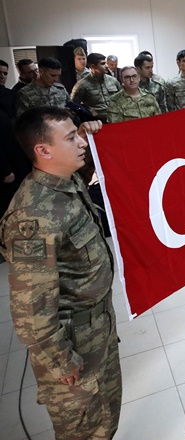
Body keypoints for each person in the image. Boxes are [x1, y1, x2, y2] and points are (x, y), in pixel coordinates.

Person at [1, 107, 121, 439]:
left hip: (98, 325)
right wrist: (61, 361)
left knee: (106, 413)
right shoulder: (32, 218)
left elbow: (87, 162)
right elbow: (31, 309)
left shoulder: (65, 183)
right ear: (43, 150)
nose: (80, 142)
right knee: (81, 427)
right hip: (72, 343)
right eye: (71, 138)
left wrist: (90, 134)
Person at [71, 53, 122, 123]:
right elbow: (73, 105)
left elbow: (122, 97)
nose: (107, 66)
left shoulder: (113, 81)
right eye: (103, 64)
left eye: (106, 63)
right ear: (93, 66)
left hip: (116, 119)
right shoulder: (82, 85)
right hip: (96, 122)